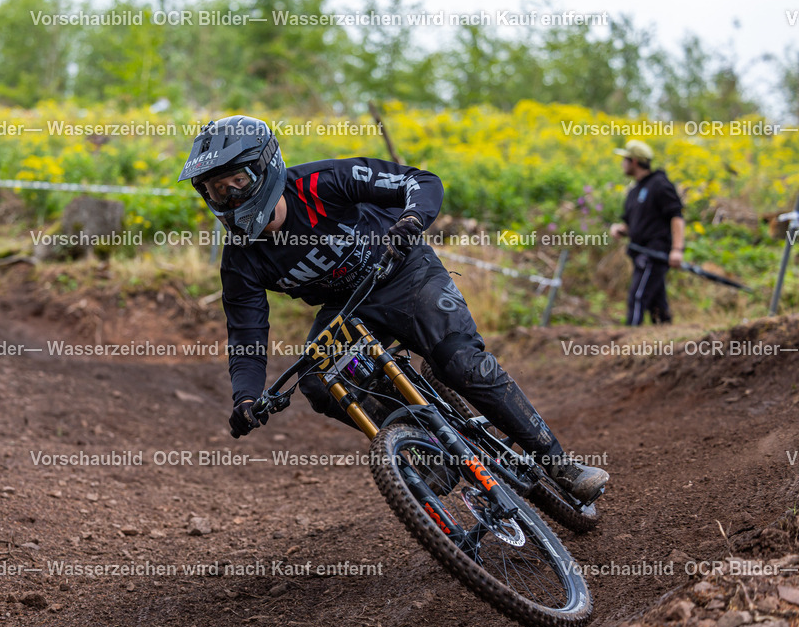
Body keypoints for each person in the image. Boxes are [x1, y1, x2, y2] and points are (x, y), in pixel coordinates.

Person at [179, 115, 608, 503]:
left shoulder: (322, 182)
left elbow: (420, 181)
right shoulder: (240, 259)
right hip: (349, 308)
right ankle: (426, 449)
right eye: (217, 190)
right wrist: (247, 396)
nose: (230, 197)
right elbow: (246, 333)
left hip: (405, 272)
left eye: (237, 182)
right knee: (316, 379)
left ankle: (561, 466)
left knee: (462, 363)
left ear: (266, 167)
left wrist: (411, 222)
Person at [609, 139, 686, 326]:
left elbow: (676, 217)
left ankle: (627, 344)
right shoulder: (635, 190)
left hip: (655, 253)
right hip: (639, 251)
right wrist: (621, 229)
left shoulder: (659, 184)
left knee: (637, 297)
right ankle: (667, 340)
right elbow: (635, 223)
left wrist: (677, 249)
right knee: (656, 304)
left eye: (624, 159)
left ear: (634, 161)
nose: (622, 164)